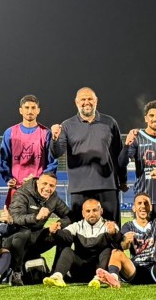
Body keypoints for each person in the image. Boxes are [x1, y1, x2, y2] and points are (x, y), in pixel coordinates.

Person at [50, 87, 125, 223]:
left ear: (96, 101)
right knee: (80, 231)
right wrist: (54, 139)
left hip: (107, 186)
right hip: (79, 188)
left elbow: (119, 154)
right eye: (83, 99)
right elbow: (57, 153)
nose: (87, 102)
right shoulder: (67, 125)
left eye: (90, 99)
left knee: (112, 229)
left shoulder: (110, 122)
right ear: (76, 102)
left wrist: (123, 180)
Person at [104, 169, 156, 287]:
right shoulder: (128, 226)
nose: (143, 206)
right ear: (134, 208)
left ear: (151, 207)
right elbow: (123, 247)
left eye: (146, 203)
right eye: (139, 203)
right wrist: (126, 241)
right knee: (116, 252)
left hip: (155, 269)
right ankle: (113, 278)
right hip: (134, 270)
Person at [4, 170, 72, 285]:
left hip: (35, 239)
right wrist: (36, 217)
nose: (47, 188)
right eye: (44, 184)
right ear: (37, 182)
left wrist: (59, 224)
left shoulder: (53, 198)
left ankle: (56, 274)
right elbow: (16, 218)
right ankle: (16, 272)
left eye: (51, 186)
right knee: (24, 233)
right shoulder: (22, 193)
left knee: (64, 235)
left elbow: (70, 216)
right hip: (16, 239)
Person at [42, 199, 122, 287]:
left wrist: (113, 234)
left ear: (101, 211)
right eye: (88, 211)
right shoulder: (76, 226)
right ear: (83, 213)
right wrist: (55, 232)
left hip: (100, 268)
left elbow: (119, 243)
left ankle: (99, 278)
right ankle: (57, 277)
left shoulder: (110, 226)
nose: (91, 214)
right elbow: (65, 236)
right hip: (79, 270)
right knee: (67, 250)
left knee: (108, 250)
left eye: (95, 210)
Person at [117, 100, 156, 208]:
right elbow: (122, 163)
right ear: (146, 118)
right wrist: (126, 145)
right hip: (142, 200)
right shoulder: (137, 138)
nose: (155, 118)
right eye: (151, 115)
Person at [0, 95, 57, 207]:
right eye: (26, 108)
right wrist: (8, 178)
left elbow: (52, 162)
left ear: (38, 110)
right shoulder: (10, 133)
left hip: (38, 190)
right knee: (13, 217)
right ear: (21, 110)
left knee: (37, 218)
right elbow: (3, 160)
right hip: (17, 189)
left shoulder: (46, 133)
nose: (30, 111)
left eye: (33, 108)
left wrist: (38, 180)